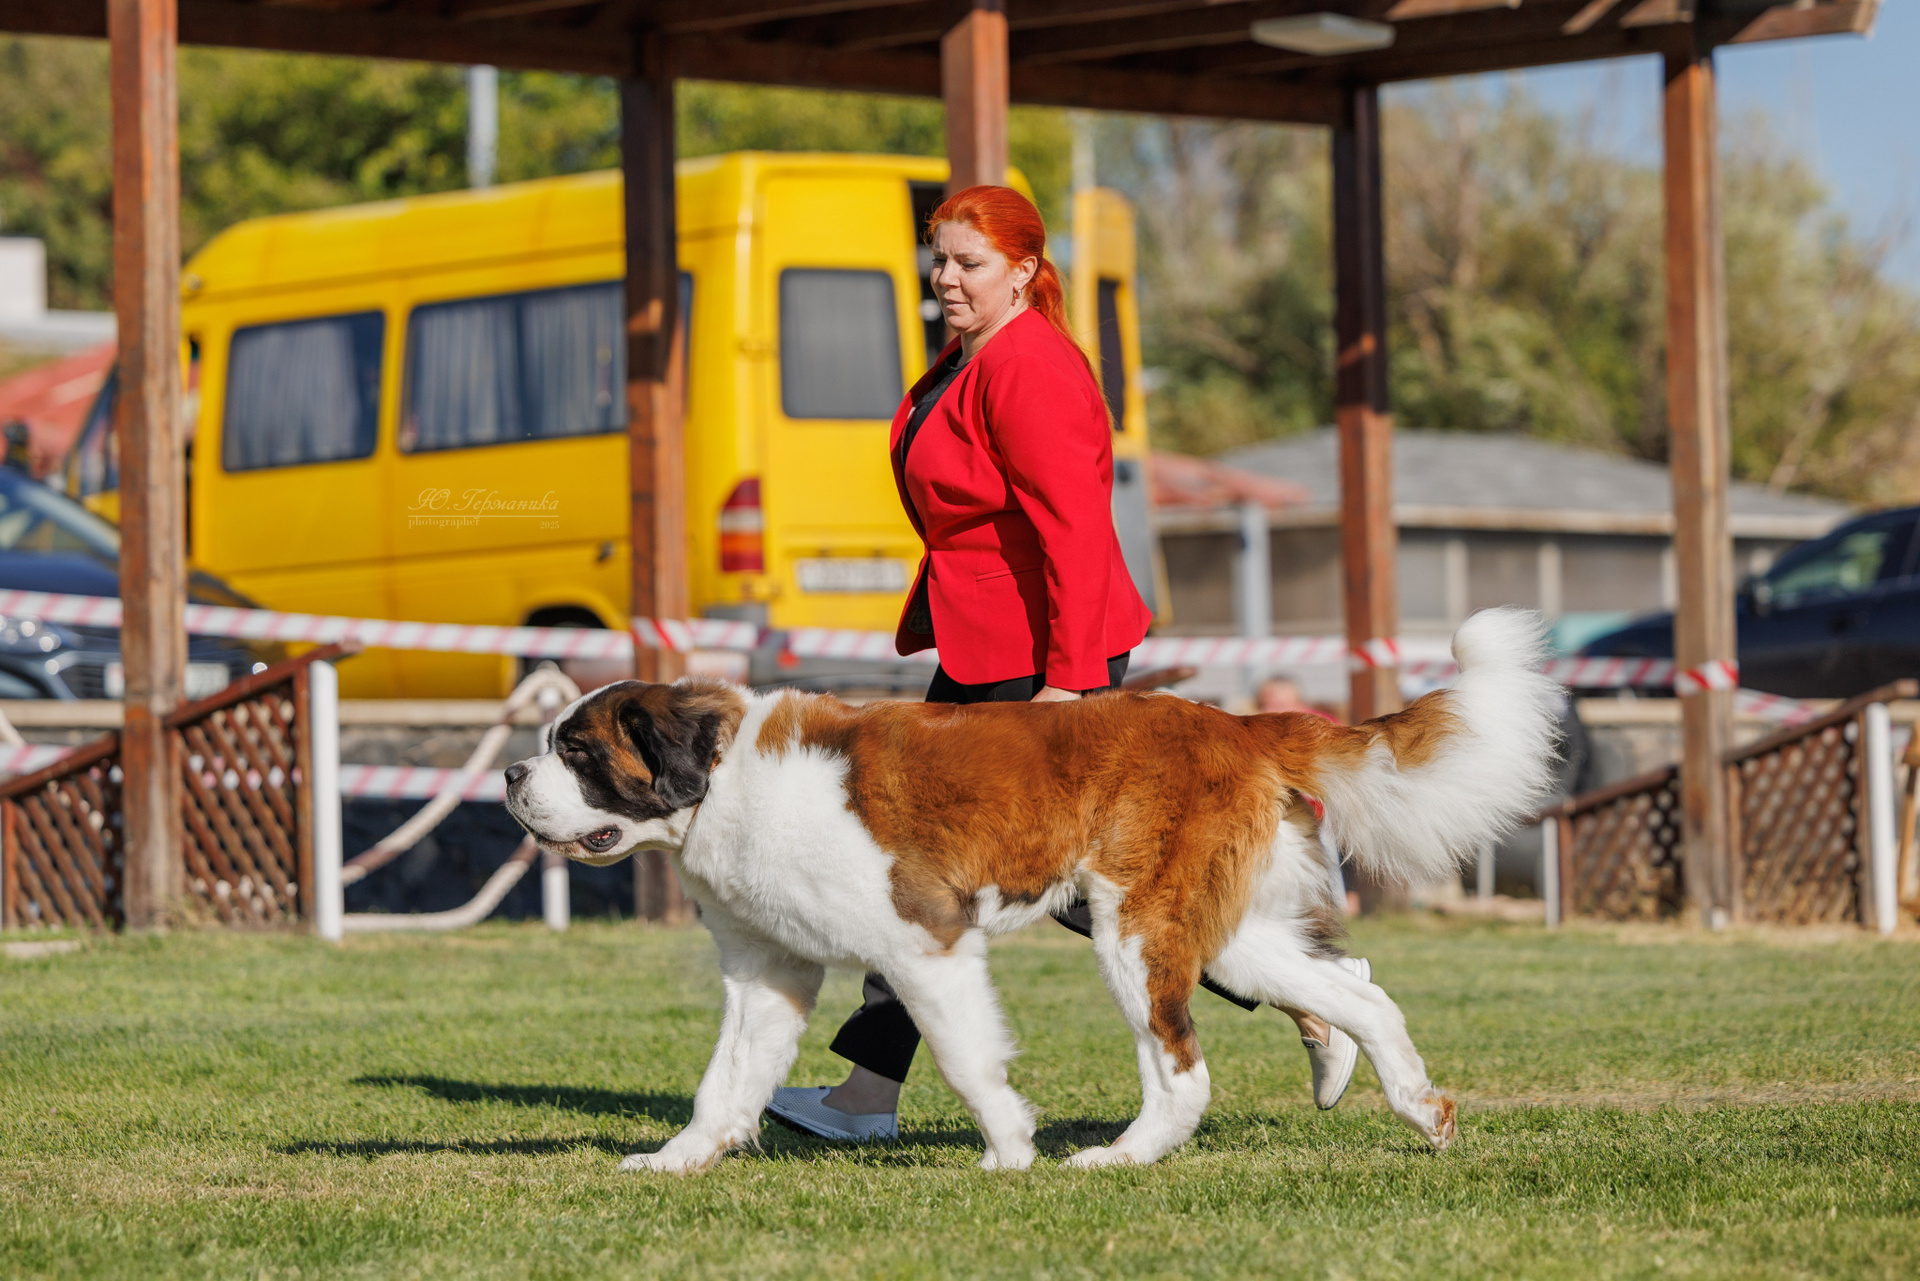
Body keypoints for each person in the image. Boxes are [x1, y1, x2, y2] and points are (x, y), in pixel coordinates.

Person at [764, 186, 1366, 1143]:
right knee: (934, 864)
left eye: (968, 263)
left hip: (1041, 656)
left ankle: (1314, 987)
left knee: (1070, 881)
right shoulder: (971, 357)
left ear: (1023, 271)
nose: (946, 278)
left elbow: (1076, 535)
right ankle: (867, 1094)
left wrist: (1069, 684)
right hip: (987, 647)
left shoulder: (1031, 366)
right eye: (939, 258)